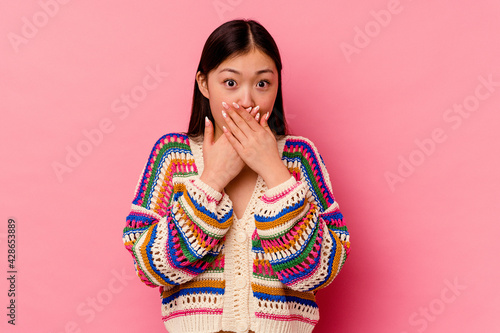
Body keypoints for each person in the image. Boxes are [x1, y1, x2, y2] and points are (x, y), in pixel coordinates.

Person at [122, 19, 350, 333]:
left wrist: (274, 171)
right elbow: (150, 268)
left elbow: (320, 272)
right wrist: (211, 180)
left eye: (262, 83)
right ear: (204, 83)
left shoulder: (299, 158)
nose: (247, 100)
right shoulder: (172, 156)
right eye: (231, 83)